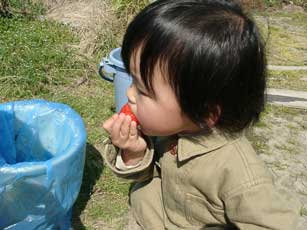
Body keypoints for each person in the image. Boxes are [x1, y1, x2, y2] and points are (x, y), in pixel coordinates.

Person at [102, 0, 300, 229]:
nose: (130, 94)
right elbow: (144, 179)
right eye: (132, 81)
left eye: (143, 90)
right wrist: (135, 154)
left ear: (205, 111)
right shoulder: (167, 129)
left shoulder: (238, 173)